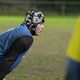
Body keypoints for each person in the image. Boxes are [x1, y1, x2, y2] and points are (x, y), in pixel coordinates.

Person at [0, 10, 45, 80]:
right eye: (40, 23)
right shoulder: (26, 38)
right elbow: (9, 60)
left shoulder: (22, 30)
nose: (43, 27)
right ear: (33, 23)